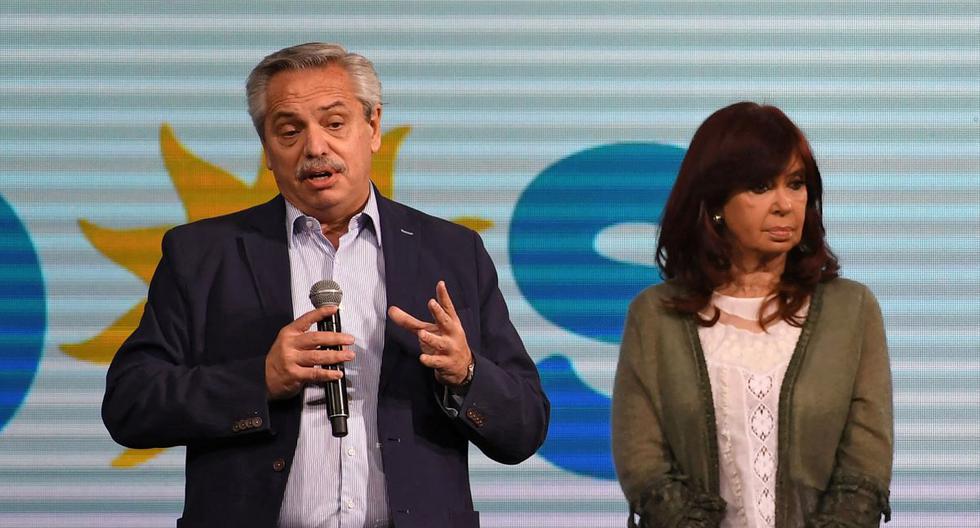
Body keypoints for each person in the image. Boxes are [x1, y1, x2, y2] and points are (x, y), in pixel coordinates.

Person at [102, 42, 549, 528]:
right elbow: (130, 404)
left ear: (373, 127)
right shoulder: (202, 255)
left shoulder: (451, 252)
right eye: (289, 130)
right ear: (267, 151)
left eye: (335, 123)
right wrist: (261, 380)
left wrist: (465, 373)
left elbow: (525, 428)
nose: (315, 147)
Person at [611, 102, 893, 528]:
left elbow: (864, 466)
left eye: (796, 184)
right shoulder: (654, 318)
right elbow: (644, 465)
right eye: (761, 187)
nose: (784, 204)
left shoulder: (851, 311)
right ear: (716, 203)